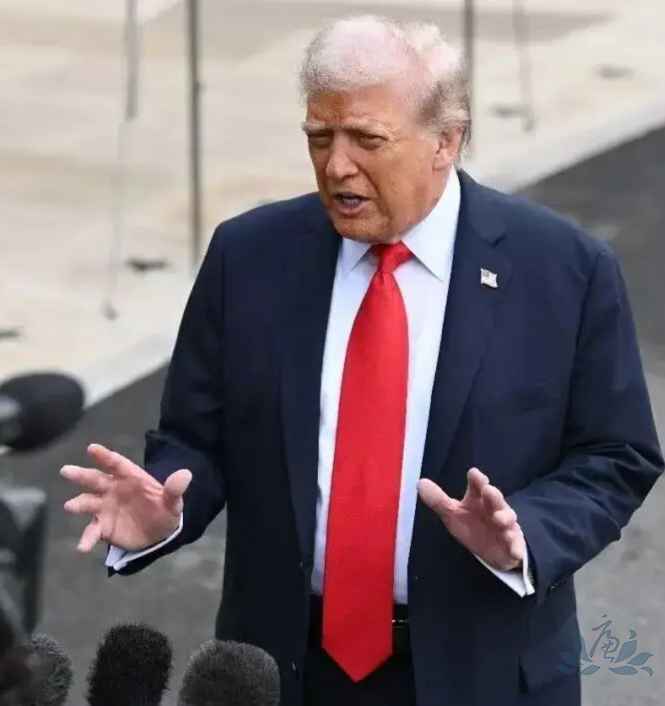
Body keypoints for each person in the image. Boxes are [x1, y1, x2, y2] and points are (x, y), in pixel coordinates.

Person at [60, 15, 663, 706]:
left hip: (484, 673)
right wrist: (166, 514)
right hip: (284, 670)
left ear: (446, 140)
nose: (336, 166)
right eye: (319, 138)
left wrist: (526, 532)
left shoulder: (562, 269)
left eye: (367, 140)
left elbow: (616, 454)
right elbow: (196, 438)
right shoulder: (249, 257)